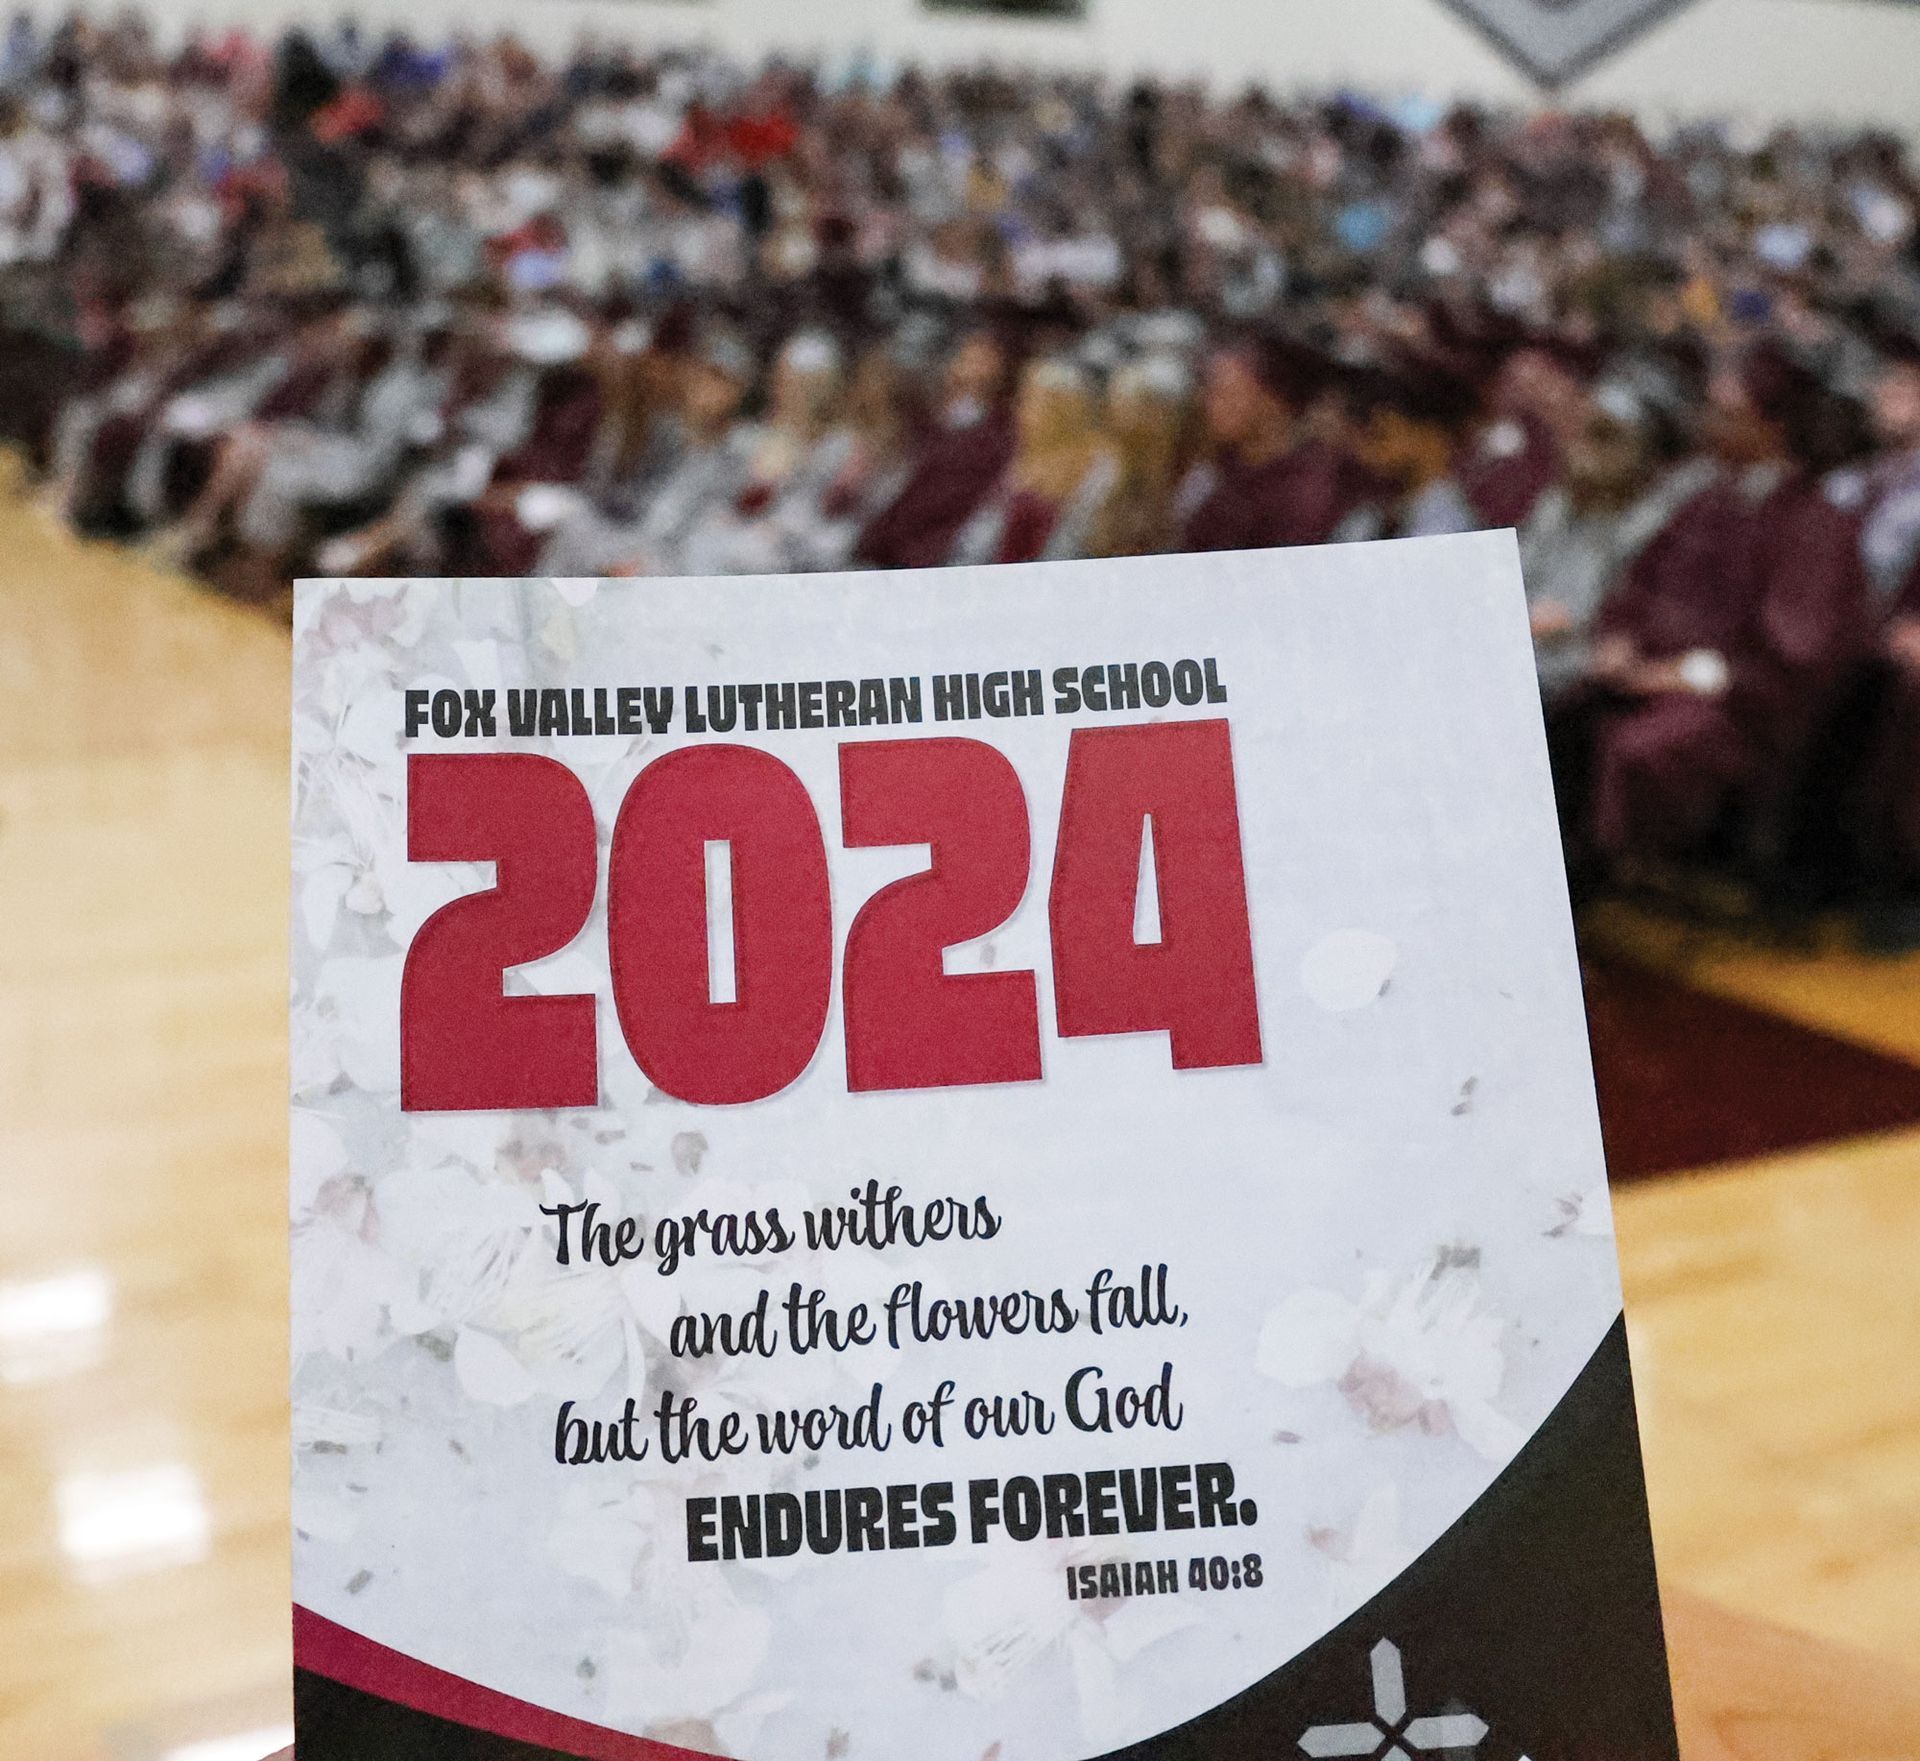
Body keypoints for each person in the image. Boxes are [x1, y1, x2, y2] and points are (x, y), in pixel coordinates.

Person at [1567, 344, 1870, 872]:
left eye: (1727, 415)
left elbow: (1794, 659)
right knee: (1562, 709)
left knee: (1644, 747)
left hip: (1733, 706)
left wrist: (1679, 674)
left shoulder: (1814, 523)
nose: (1707, 425)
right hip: (1645, 676)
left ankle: (1612, 881)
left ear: (1771, 427)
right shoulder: (1707, 499)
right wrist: (1619, 640)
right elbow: (1636, 588)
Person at [854, 329, 1015, 570]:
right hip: (894, 529)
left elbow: (958, 496)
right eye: (968, 359)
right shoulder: (929, 420)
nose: (974, 371)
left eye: (983, 362)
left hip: (936, 543)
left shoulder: (997, 433)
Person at [952, 356, 1118, 565]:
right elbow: (979, 536)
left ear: (1062, 410)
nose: (1019, 411)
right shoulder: (1024, 460)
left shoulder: (1100, 465)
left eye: (1031, 401)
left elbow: (1079, 542)